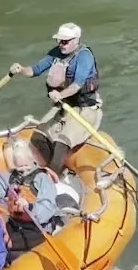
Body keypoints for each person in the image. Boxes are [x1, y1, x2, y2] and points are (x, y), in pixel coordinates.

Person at [8, 22, 102, 174]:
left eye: (65, 41)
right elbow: (35, 70)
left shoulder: (84, 56)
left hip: (85, 108)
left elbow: (77, 85)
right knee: (38, 137)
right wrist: (21, 69)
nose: (61, 44)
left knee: (61, 142)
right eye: (59, 41)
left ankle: (52, 177)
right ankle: (53, 168)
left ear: (76, 40)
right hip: (64, 105)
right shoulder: (57, 53)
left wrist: (60, 95)